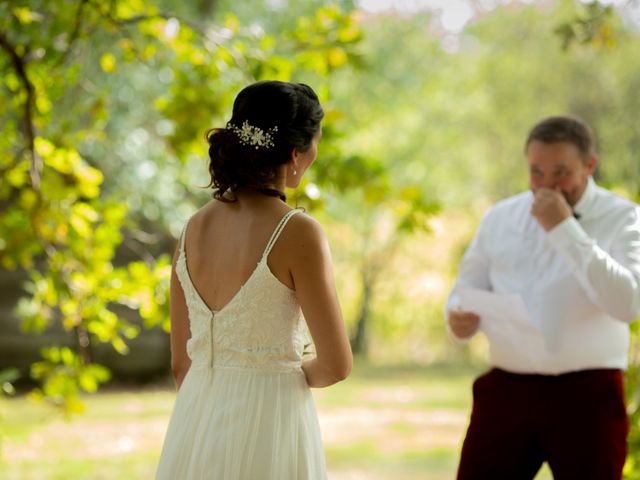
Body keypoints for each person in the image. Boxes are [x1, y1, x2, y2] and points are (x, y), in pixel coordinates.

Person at [156, 80, 352, 480]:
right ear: (296, 154)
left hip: (195, 420)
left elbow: (181, 364)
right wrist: (274, 375)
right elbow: (336, 365)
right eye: (316, 142)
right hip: (270, 423)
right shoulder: (298, 232)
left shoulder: (193, 228)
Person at [446, 115, 640, 479]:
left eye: (561, 172)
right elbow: (465, 288)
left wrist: (565, 229)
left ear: (590, 165)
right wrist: (456, 316)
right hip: (506, 390)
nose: (547, 184)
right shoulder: (499, 217)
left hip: (589, 396)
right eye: (537, 172)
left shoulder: (626, 219)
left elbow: (628, 304)